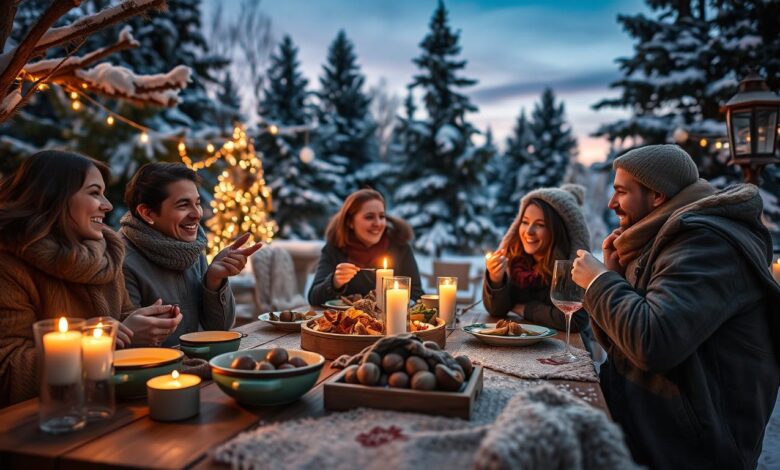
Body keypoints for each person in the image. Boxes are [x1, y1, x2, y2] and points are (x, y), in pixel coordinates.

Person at [571, 144, 780, 469]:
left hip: (693, 453)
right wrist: (614, 276)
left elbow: (653, 342)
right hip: (653, 435)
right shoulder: (663, 242)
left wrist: (600, 283)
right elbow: (622, 346)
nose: (612, 204)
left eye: (621, 192)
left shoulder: (706, 245)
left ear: (657, 196)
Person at [0, 150, 179, 406]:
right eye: (94, 193)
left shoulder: (106, 256)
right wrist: (96, 343)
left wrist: (137, 326)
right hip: (41, 421)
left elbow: (118, 324)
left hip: (109, 403)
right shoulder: (9, 265)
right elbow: (8, 373)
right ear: (54, 197)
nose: (107, 205)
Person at [121, 162, 262, 347]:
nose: (197, 214)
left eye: (197, 203)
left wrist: (214, 280)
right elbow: (129, 348)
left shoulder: (191, 248)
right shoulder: (122, 261)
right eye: (183, 205)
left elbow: (220, 328)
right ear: (148, 213)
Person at [483, 185, 592, 341]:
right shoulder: (514, 259)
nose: (528, 231)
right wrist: (496, 279)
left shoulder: (568, 267)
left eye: (540, 225)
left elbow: (575, 320)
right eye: (525, 222)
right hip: (522, 344)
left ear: (557, 230)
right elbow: (496, 311)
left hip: (566, 345)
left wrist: (526, 309)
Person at [308, 189, 423, 306]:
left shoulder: (400, 247)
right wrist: (335, 282)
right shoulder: (335, 248)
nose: (378, 223)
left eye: (382, 216)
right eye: (369, 217)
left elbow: (416, 294)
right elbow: (313, 297)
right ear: (350, 222)